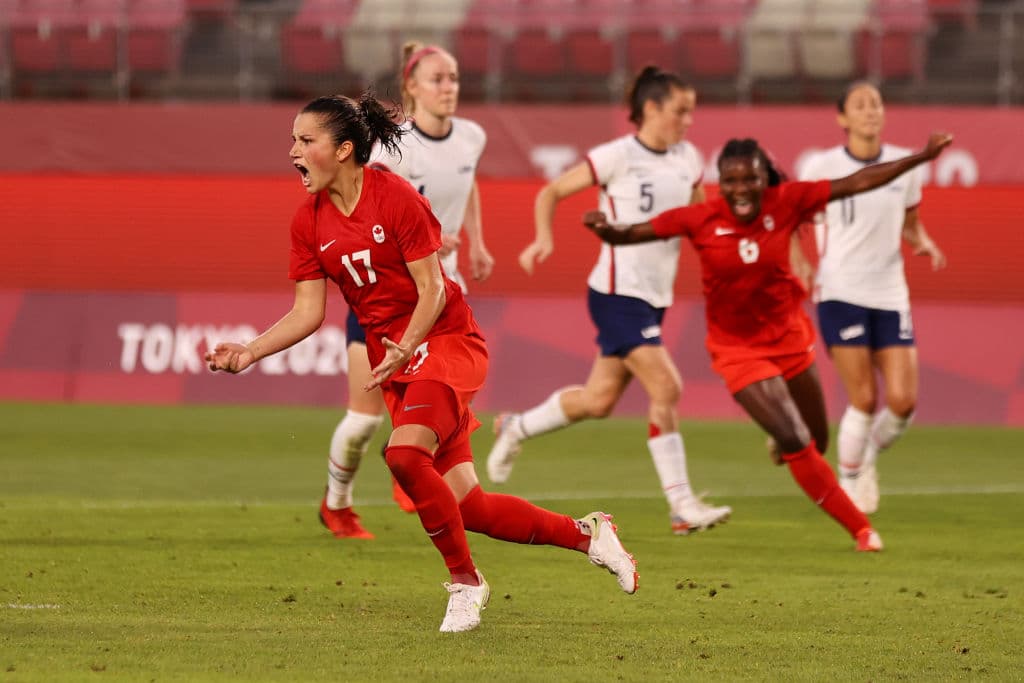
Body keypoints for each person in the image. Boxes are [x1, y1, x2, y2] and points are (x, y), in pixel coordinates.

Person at [205, 93, 638, 633]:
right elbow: (307, 312)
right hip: (400, 360)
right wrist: (250, 351)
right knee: (469, 507)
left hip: (446, 342)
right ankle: (589, 534)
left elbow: (433, 289)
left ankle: (466, 583)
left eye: (304, 140)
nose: (293, 151)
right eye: (293, 140)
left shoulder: (395, 197)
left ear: (342, 150)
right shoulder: (307, 222)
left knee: (405, 455)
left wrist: (406, 346)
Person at [582, 132, 953, 551]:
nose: (741, 189)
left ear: (764, 179)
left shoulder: (788, 201)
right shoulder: (699, 217)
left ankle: (784, 439)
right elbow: (632, 233)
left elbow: (860, 181)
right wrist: (605, 229)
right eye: (731, 181)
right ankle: (862, 530)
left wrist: (921, 156)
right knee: (797, 441)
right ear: (719, 183)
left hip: (790, 339)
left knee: (816, 441)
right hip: (737, 350)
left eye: (750, 179)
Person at [485, 65, 732, 536]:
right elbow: (553, 190)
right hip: (617, 294)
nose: (688, 121)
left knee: (598, 401)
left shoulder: (688, 158)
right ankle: (681, 506)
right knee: (668, 388)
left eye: (691, 112)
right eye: (681, 111)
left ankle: (516, 427)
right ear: (652, 109)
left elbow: (702, 218)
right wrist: (542, 239)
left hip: (654, 298)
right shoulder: (617, 155)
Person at [318, 42, 494, 539]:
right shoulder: (392, 146)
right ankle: (337, 504)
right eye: (437, 79)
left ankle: (414, 470)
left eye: (454, 78)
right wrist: (428, 233)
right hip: (382, 297)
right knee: (363, 419)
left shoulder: (473, 137)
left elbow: (468, 181)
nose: (449, 88)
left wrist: (475, 241)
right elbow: (366, 207)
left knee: (445, 399)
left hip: (438, 296)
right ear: (411, 86)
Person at [798, 82, 946, 514]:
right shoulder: (822, 165)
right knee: (863, 398)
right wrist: (800, 263)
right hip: (841, 290)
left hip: (890, 292)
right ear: (842, 118)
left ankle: (864, 457)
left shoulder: (906, 166)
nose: (870, 111)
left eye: (876, 103)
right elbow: (793, 219)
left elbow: (910, 222)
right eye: (860, 105)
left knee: (902, 403)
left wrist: (924, 242)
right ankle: (849, 480)